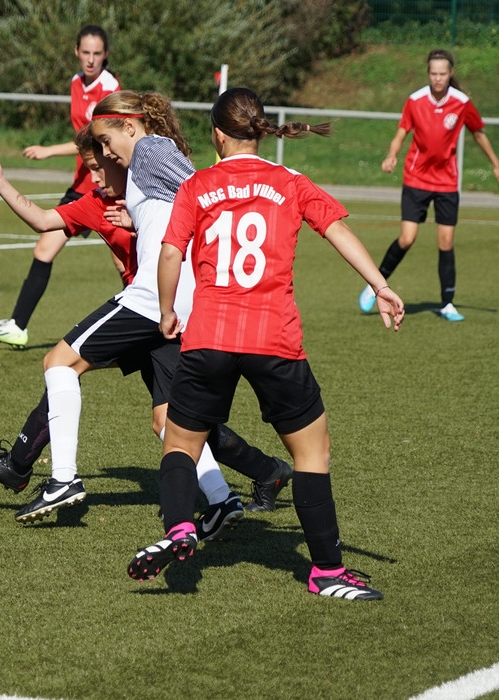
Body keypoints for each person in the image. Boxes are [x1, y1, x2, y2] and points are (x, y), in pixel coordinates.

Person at [0, 94, 291, 530]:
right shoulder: (115, 194)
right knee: (169, 419)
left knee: (59, 362)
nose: (101, 166)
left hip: (153, 299)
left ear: (130, 128)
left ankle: (60, 479)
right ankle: (222, 498)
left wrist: (228, 213)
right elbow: (45, 220)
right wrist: (0, 182)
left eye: (104, 150)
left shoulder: (149, 151)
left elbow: (199, 190)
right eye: (94, 160)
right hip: (171, 308)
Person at [131, 87, 404, 601]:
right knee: (312, 452)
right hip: (273, 336)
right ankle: (326, 571)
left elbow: (170, 253)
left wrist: (167, 311)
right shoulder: (290, 181)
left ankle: (181, 527)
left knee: (181, 444)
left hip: (209, 335)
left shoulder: (197, 185)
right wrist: (379, 284)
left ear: (217, 135)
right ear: (260, 131)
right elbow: (337, 231)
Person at [0, 24, 121, 348]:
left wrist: (48, 150)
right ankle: (18, 325)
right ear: (76, 51)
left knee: (122, 256)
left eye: (97, 53)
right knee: (44, 248)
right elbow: (82, 138)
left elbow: (97, 139)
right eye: (85, 52)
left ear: (106, 55)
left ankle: (151, 313)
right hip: (81, 185)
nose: (91, 59)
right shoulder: (76, 83)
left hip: (106, 185)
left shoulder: (110, 88)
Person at [361, 48, 499, 322]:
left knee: (446, 242)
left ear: (450, 73)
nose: (438, 78)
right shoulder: (415, 100)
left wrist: (495, 163)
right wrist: (392, 155)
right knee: (407, 238)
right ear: (428, 74)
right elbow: (401, 132)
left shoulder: (461, 102)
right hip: (417, 178)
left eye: (442, 74)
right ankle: (375, 285)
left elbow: (478, 133)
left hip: (447, 181)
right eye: (433, 73)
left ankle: (447, 304)